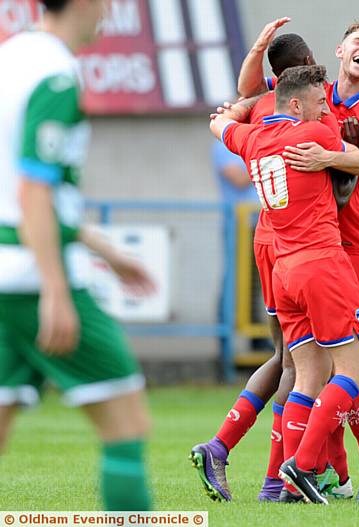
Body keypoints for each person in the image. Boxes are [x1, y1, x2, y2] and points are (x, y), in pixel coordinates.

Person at [0, 0, 153, 511]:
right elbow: (33, 191)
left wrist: (102, 247)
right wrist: (56, 289)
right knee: (127, 425)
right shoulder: (58, 75)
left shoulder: (10, 59)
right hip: (29, 278)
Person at [210, 64, 359, 505]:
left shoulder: (252, 139)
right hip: (321, 264)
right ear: (296, 104)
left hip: (282, 271)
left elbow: (219, 124)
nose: (326, 110)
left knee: (309, 372)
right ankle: (300, 466)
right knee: (354, 370)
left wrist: (238, 107)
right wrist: (348, 151)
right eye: (321, 103)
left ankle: (281, 483)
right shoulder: (314, 135)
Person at [190, 25, 340, 504]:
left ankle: (231, 451)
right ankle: (279, 479)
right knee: (305, 364)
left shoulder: (260, 110)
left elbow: (233, 104)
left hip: (269, 239)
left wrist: (250, 63)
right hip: (302, 245)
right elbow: (350, 169)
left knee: (285, 359)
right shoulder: (314, 117)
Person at [281, 20, 359, 502]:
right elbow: (266, 95)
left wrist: (329, 156)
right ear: (340, 48)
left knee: (353, 367)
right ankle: (322, 472)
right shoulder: (316, 94)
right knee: (315, 368)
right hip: (308, 249)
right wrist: (235, 109)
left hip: (354, 248)